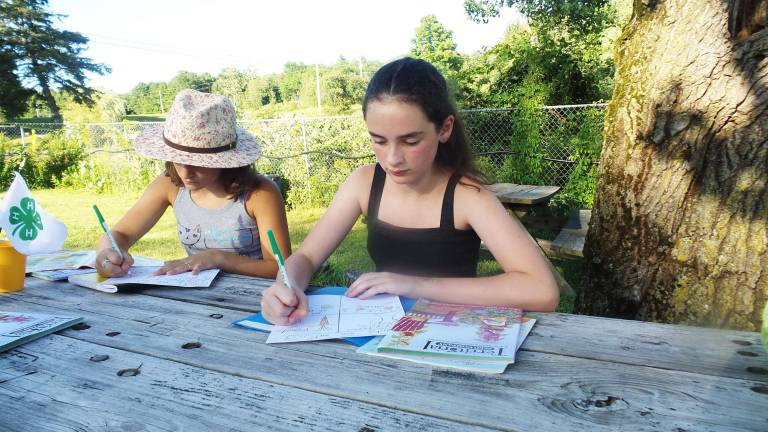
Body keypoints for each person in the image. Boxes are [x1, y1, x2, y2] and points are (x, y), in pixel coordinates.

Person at [261, 57, 559, 325]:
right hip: (378, 331)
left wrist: (412, 284)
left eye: (410, 141)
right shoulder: (364, 183)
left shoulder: (467, 196)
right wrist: (287, 285)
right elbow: (307, 257)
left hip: (448, 335)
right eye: (379, 140)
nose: (392, 159)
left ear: (444, 129)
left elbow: (541, 291)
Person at [95, 89, 290, 279]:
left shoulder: (260, 194)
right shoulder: (169, 185)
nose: (186, 173)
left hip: (257, 299)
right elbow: (120, 234)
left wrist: (218, 258)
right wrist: (108, 253)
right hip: (195, 300)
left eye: (199, 163)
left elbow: (280, 268)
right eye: (177, 159)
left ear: (225, 160)